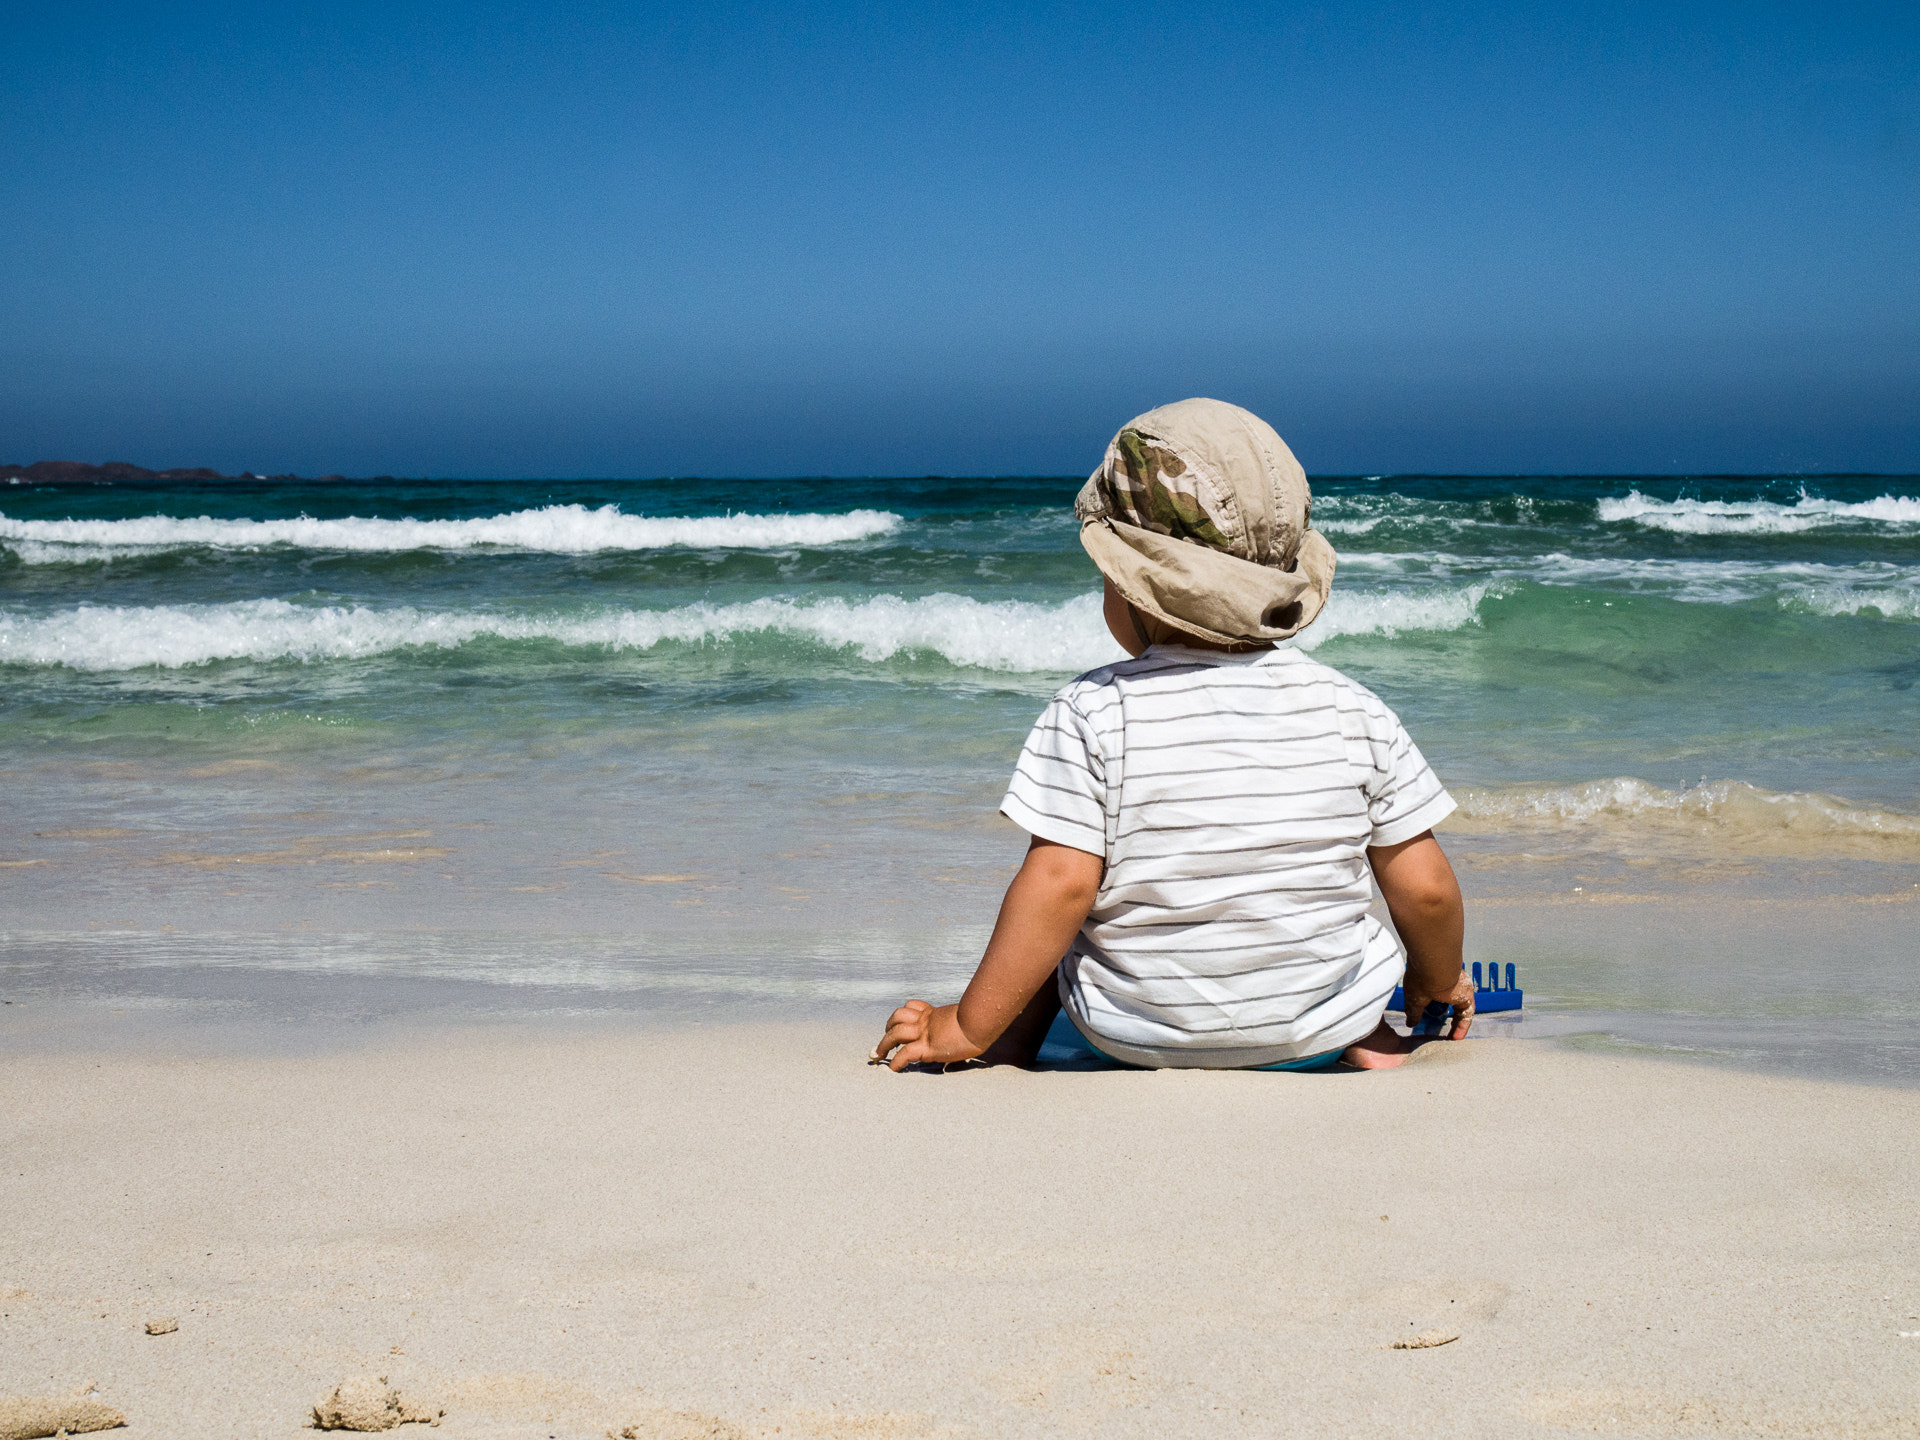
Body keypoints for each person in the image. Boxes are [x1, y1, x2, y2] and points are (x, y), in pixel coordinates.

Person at [873, 398, 1474, 1073]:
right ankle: (1368, 1036)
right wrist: (1436, 981)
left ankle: (1004, 1038)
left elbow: (1060, 884)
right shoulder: (1353, 710)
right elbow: (1424, 890)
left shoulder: (1091, 711)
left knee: (1066, 916)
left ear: (1132, 586)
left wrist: (966, 1025)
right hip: (1319, 1024)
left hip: (1136, 1033)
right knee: (1328, 919)